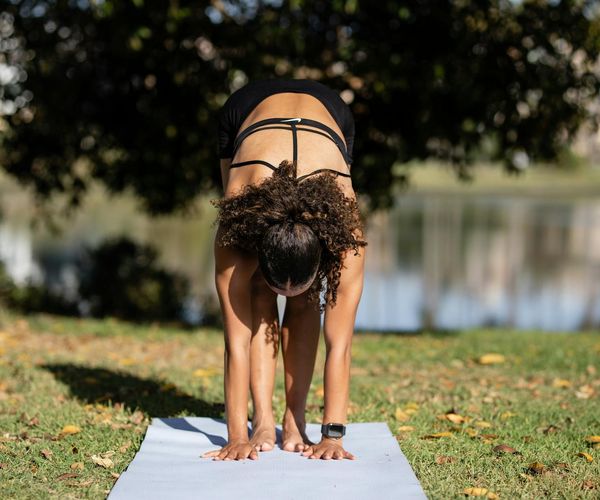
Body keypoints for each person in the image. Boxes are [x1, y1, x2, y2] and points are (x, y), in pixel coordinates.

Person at [201, 78, 367, 462]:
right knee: (255, 290)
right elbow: (235, 340)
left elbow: (340, 344)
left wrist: (334, 436)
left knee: (308, 299)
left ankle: (295, 420)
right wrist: (236, 435)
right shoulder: (236, 231)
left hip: (331, 115)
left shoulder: (347, 237)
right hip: (245, 112)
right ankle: (262, 420)